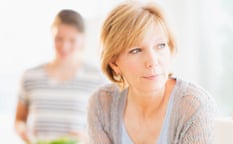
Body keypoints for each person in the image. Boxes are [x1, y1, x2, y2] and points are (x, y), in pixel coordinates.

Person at [87, 1, 217, 144]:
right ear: (114, 63)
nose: (152, 61)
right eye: (135, 50)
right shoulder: (101, 104)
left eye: (160, 45)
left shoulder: (193, 107)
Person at [15, 9, 106, 144]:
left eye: (72, 40)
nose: (64, 46)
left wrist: (87, 139)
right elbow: (19, 120)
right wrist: (23, 130)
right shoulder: (30, 77)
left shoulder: (96, 78)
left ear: (83, 40)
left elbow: (104, 128)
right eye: (59, 39)